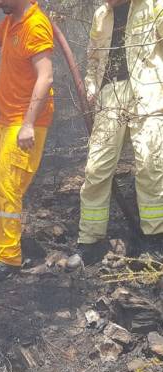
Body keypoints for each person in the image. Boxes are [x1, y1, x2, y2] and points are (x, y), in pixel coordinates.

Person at [78, 0, 163, 262]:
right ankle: (90, 241)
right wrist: (91, 86)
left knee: (150, 165)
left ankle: (154, 238)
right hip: (110, 95)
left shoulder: (153, 5)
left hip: (148, 92)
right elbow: (93, 58)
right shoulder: (101, 15)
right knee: (96, 168)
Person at [0, 0, 54, 279]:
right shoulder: (11, 20)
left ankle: (9, 258)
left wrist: (29, 124)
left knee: (6, 181)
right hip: (6, 119)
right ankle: (4, 226)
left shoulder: (35, 24)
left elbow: (45, 76)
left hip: (24, 121)